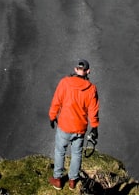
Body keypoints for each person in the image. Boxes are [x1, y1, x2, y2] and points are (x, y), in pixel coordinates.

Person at [48, 59, 99, 190]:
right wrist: (94, 127)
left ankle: (58, 179)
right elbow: (93, 110)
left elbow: (56, 101)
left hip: (65, 125)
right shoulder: (91, 89)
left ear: (76, 69)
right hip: (80, 128)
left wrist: (52, 116)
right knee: (76, 153)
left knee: (60, 151)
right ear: (88, 71)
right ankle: (72, 181)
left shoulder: (65, 82)